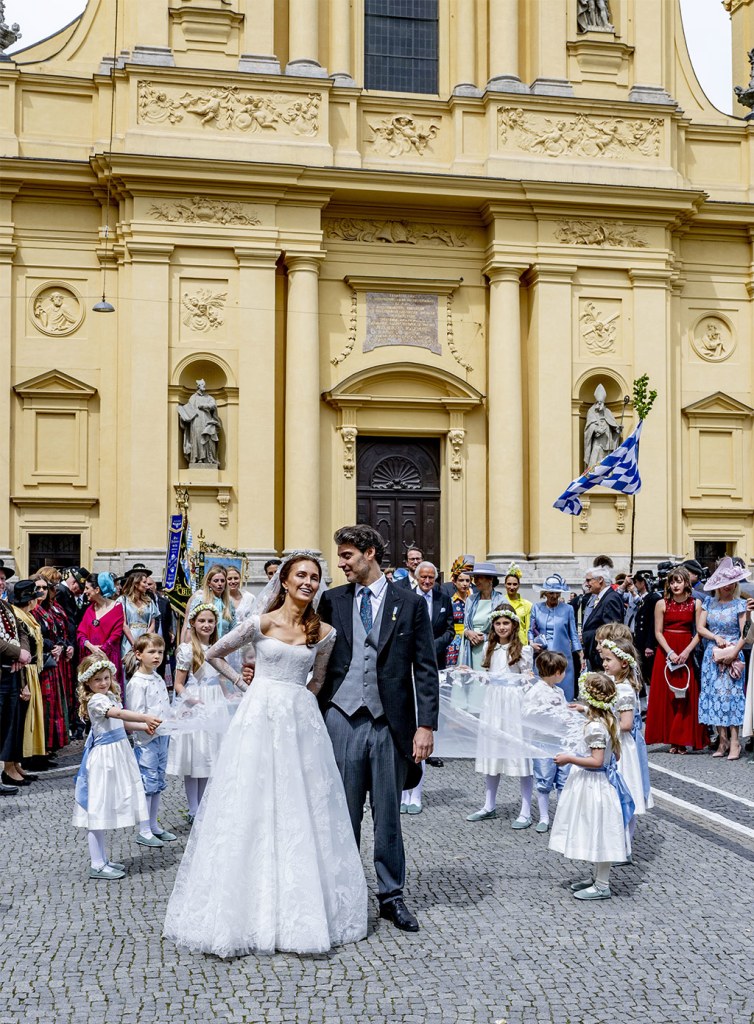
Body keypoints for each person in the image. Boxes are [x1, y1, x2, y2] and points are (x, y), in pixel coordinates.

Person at [164, 551, 368, 957]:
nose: (308, 582)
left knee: (301, 806)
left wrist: (300, 704)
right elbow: (215, 652)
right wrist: (245, 685)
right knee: (251, 801)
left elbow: (320, 678)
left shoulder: (323, 633)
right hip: (258, 718)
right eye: (301, 576)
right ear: (285, 582)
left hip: (300, 722)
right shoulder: (260, 623)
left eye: (314, 576)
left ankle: (303, 907)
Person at [317, 525, 439, 934]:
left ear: (369, 553)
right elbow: (306, 654)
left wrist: (425, 725)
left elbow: (425, 666)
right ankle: (343, 894)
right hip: (341, 717)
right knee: (343, 815)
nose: (341, 563)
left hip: (389, 723)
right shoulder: (331, 602)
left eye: (348, 555)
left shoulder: (409, 603)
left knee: (388, 816)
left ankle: (391, 897)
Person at [72, 655, 161, 880]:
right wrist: (145, 716)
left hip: (118, 753)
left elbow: (121, 723)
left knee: (106, 805)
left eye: (106, 678)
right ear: (88, 684)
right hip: (105, 759)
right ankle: (96, 863)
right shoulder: (96, 701)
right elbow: (118, 714)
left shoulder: (108, 696)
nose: (103, 683)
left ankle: (102, 858)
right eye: (97, 680)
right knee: (98, 808)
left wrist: (143, 726)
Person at [549, 673, 634, 901]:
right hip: (601, 784)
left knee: (600, 832)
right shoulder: (610, 720)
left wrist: (569, 758)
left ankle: (603, 884)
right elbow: (615, 754)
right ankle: (597, 877)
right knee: (594, 829)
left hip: (594, 785)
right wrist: (584, 710)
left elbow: (597, 761)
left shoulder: (596, 728)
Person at [167, 603, 238, 822]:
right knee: (195, 756)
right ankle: (193, 808)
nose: (206, 625)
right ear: (193, 624)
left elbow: (219, 678)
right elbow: (179, 683)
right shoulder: (188, 650)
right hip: (197, 701)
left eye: (210, 621)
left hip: (215, 701)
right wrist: (192, 700)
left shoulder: (218, 647)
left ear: (216, 624)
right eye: (202, 621)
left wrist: (227, 696)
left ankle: (206, 806)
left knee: (210, 756)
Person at [466, 607, 535, 828]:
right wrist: (471, 672)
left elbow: (526, 679)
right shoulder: (489, 647)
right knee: (492, 751)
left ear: (513, 625)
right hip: (493, 702)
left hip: (513, 703)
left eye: (506, 623)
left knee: (520, 753)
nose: (502, 627)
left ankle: (526, 809)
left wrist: (528, 679)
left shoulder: (523, 651)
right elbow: (490, 678)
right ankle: (489, 804)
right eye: (498, 623)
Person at [399, 561, 453, 814]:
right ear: (416, 577)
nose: (428, 581)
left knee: (423, 729)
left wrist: (432, 646)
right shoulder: (405, 596)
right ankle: (402, 791)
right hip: (404, 666)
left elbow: (451, 629)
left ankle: (417, 792)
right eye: (424, 577)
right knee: (403, 729)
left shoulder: (443, 598)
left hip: (432, 666)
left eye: (432, 577)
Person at [644, 567, 707, 753]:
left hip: (686, 649)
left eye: (678, 581)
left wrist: (687, 651)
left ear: (686, 582)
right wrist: (670, 652)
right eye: (672, 582)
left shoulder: (696, 603)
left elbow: (699, 632)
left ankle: (683, 739)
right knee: (667, 696)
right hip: (666, 651)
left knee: (685, 696)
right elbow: (657, 632)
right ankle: (672, 740)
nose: (675, 585)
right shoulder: (661, 604)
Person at [599, 637, 653, 853]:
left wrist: (602, 722)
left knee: (624, 793)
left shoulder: (624, 690)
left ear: (623, 663)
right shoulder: (614, 684)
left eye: (608, 660)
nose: (604, 664)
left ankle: (625, 845)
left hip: (622, 747)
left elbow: (627, 723)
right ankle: (619, 843)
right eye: (603, 659)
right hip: (614, 743)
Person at [125, 634, 176, 847]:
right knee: (148, 782)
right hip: (146, 741)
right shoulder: (137, 683)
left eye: (160, 652)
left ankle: (153, 825)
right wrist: (146, 726)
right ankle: (144, 829)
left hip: (162, 736)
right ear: (139, 654)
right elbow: (133, 715)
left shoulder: (156, 677)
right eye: (152, 652)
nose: (157, 656)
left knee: (158, 781)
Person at [697, 557, 749, 761]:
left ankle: (735, 741)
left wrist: (734, 652)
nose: (729, 586)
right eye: (725, 583)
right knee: (713, 696)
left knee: (731, 697)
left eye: (732, 583)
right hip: (712, 655)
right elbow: (701, 627)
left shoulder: (740, 604)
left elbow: (745, 631)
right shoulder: (709, 602)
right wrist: (715, 637)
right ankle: (722, 739)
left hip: (733, 652)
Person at [523, 650, 571, 833]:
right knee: (544, 778)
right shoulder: (535, 691)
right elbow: (527, 713)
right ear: (557, 672)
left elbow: (564, 710)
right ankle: (544, 816)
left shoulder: (559, 691)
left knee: (563, 779)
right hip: (542, 742)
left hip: (560, 741)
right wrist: (548, 714)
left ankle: (562, 815)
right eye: (563, 671)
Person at [528, 574, 583, 702]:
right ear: (545, 593)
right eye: (551, 593)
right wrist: (531, 643)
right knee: (542, 691)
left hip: (562, 654)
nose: (554, 596)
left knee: (563, 690)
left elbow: (573, 633)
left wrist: (579, 653)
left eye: (557, 593)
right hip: (542, 655)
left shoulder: (568, 609)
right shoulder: (537, 607)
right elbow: (531, 630)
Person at [31, 573, 69, 756]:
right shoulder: (31, 610)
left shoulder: (49, 609)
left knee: (53, 704)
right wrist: (52, 646)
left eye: (44, 588)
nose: (41, 591)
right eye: (37, 588)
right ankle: (40, 749)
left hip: (53, 661)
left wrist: (62, 646)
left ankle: (49, 746)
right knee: (43, 706)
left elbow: (59, 632)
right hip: (39, 663)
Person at [11, 581, 46, 770]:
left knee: (29, 716)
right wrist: (24, 681)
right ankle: (18, 762)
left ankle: (19, 764)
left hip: (32, 670)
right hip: (25, 671)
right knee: (24, 718)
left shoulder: (27, 616)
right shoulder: (20, 617)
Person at [0, 593, 32, 792]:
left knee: (8, 724)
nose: (1, 583)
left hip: (11, 672)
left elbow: (21, 631)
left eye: (2, 579)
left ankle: (7, 770)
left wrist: (24, 653)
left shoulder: (6, 606)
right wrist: (17, 652)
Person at [77, 573, 125, 679]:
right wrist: (90, 646)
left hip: (109, 659)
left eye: (87, 588)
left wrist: (102, 650)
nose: (84, 591)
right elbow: (81, 633)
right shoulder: (89, 609)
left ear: (97, 590)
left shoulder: (117, 608)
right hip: (90, 659)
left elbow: (116, 634)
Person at [460, 562, 507, 669]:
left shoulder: (501, 600)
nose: (475, 581)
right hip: (471, 647)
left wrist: (485, 637)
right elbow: (465, 625)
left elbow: (506, 628)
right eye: (474, 578)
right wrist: (467, 633)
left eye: (479, 577)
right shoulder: (471, 600)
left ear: (490, 579)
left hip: (492, 647)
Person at [581, 568, 626, 670]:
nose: (586, 584)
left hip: (602, 657)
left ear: (600, 580)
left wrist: (587, 635)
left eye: (588, 580)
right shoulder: (602, 597)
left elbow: (611, 631)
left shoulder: (610, 599)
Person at [119, 570, 159, 667]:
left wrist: (146, 639)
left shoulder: (149, 601)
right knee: (130, 666)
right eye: (144, 582)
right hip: (129, 639)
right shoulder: (123, 600)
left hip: (146, 637)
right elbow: (124, 624)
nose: (147, 585)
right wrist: (134, 643)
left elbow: (153, 622)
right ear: (136, 584)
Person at [185, 564, 235, 640]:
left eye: (222, 581)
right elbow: (190, 628)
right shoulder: (200, 599)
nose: (220, 584)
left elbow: (233, 629)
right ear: (209, 583)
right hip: (203, 646)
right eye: (216, 581)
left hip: (224, 647)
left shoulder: (229, 603)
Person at [631, 571, 661, 685]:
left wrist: (649, 645)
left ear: (642, 583)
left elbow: (653, 623)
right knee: (642, 672)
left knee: (648, 674)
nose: (634, 585)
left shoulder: (653, 598)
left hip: (647, 643)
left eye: (636, 582)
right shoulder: (644, 599)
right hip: (640, 641)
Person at [445, 558, 473, 668]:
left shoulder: (474, 601)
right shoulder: (450, 602)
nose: (464, 584)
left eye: (467, 581)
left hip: (471, 640)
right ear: (454, 582)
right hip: (454, 642)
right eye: (461, 580)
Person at [503, 563, 531, 644]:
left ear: (519, 585)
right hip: (505, 642)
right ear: (505, 585)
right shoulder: (500, 602)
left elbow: (528, 628)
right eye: (509, 584)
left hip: (521, 643)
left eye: (515, 584)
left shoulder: (527, 605)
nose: (512, 587)